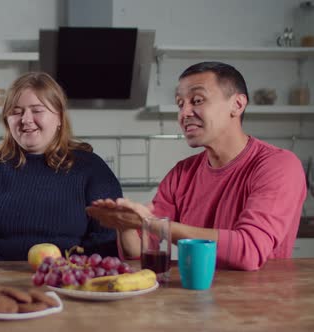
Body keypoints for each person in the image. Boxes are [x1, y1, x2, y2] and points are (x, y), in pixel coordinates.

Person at [86, 62, 307, 271]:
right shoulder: (182, 173)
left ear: (237, 105)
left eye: (197, 100)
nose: (184, 113)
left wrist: (151, 223)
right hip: (194, 299)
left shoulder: (278, 165)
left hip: (262, 303)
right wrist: (124, 224)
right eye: (180, 104)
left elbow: (249, 250)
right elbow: (139, 253)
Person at [0, 72, 122, 260]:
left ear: (59, 117)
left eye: (37, 110)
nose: (25, 119)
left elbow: (107, 241)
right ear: (7, 120)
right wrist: (3, 271)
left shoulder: (92, 169)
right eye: (16, 111)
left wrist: (68, 271)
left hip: (70, 281)